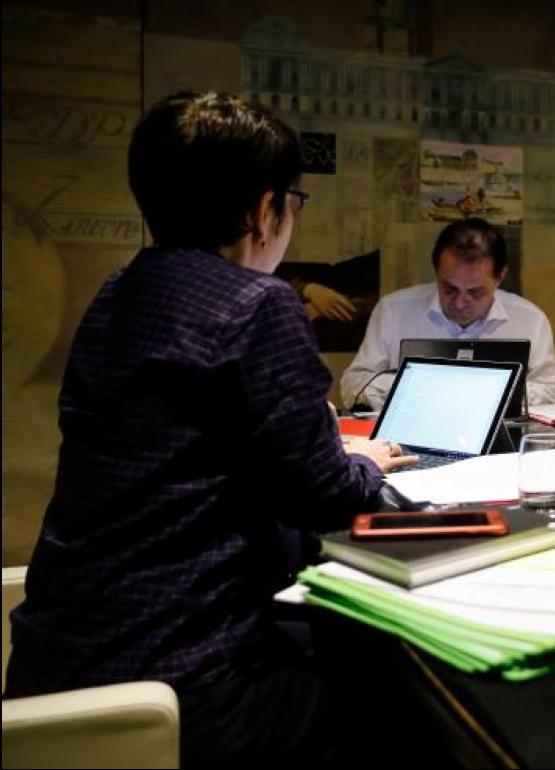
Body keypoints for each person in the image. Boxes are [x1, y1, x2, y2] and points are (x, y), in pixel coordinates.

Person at [3, 91, 418, 765]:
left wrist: (318, 444)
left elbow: (185, 448)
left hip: (57, 666)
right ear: (263, 210)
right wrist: (362, 462)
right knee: (402, 695)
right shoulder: (259, 303)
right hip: (184, 679)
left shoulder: (118, 292)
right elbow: (325, 495)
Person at [341, 217, 555, 409]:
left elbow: (553, 391)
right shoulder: (394, 310)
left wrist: (493, 392)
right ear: (437, 272)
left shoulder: (530, 319)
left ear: (500, 277)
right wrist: (412, 386)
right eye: (449, 288)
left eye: (475, 291)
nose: (460, 302)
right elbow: (353, 385)